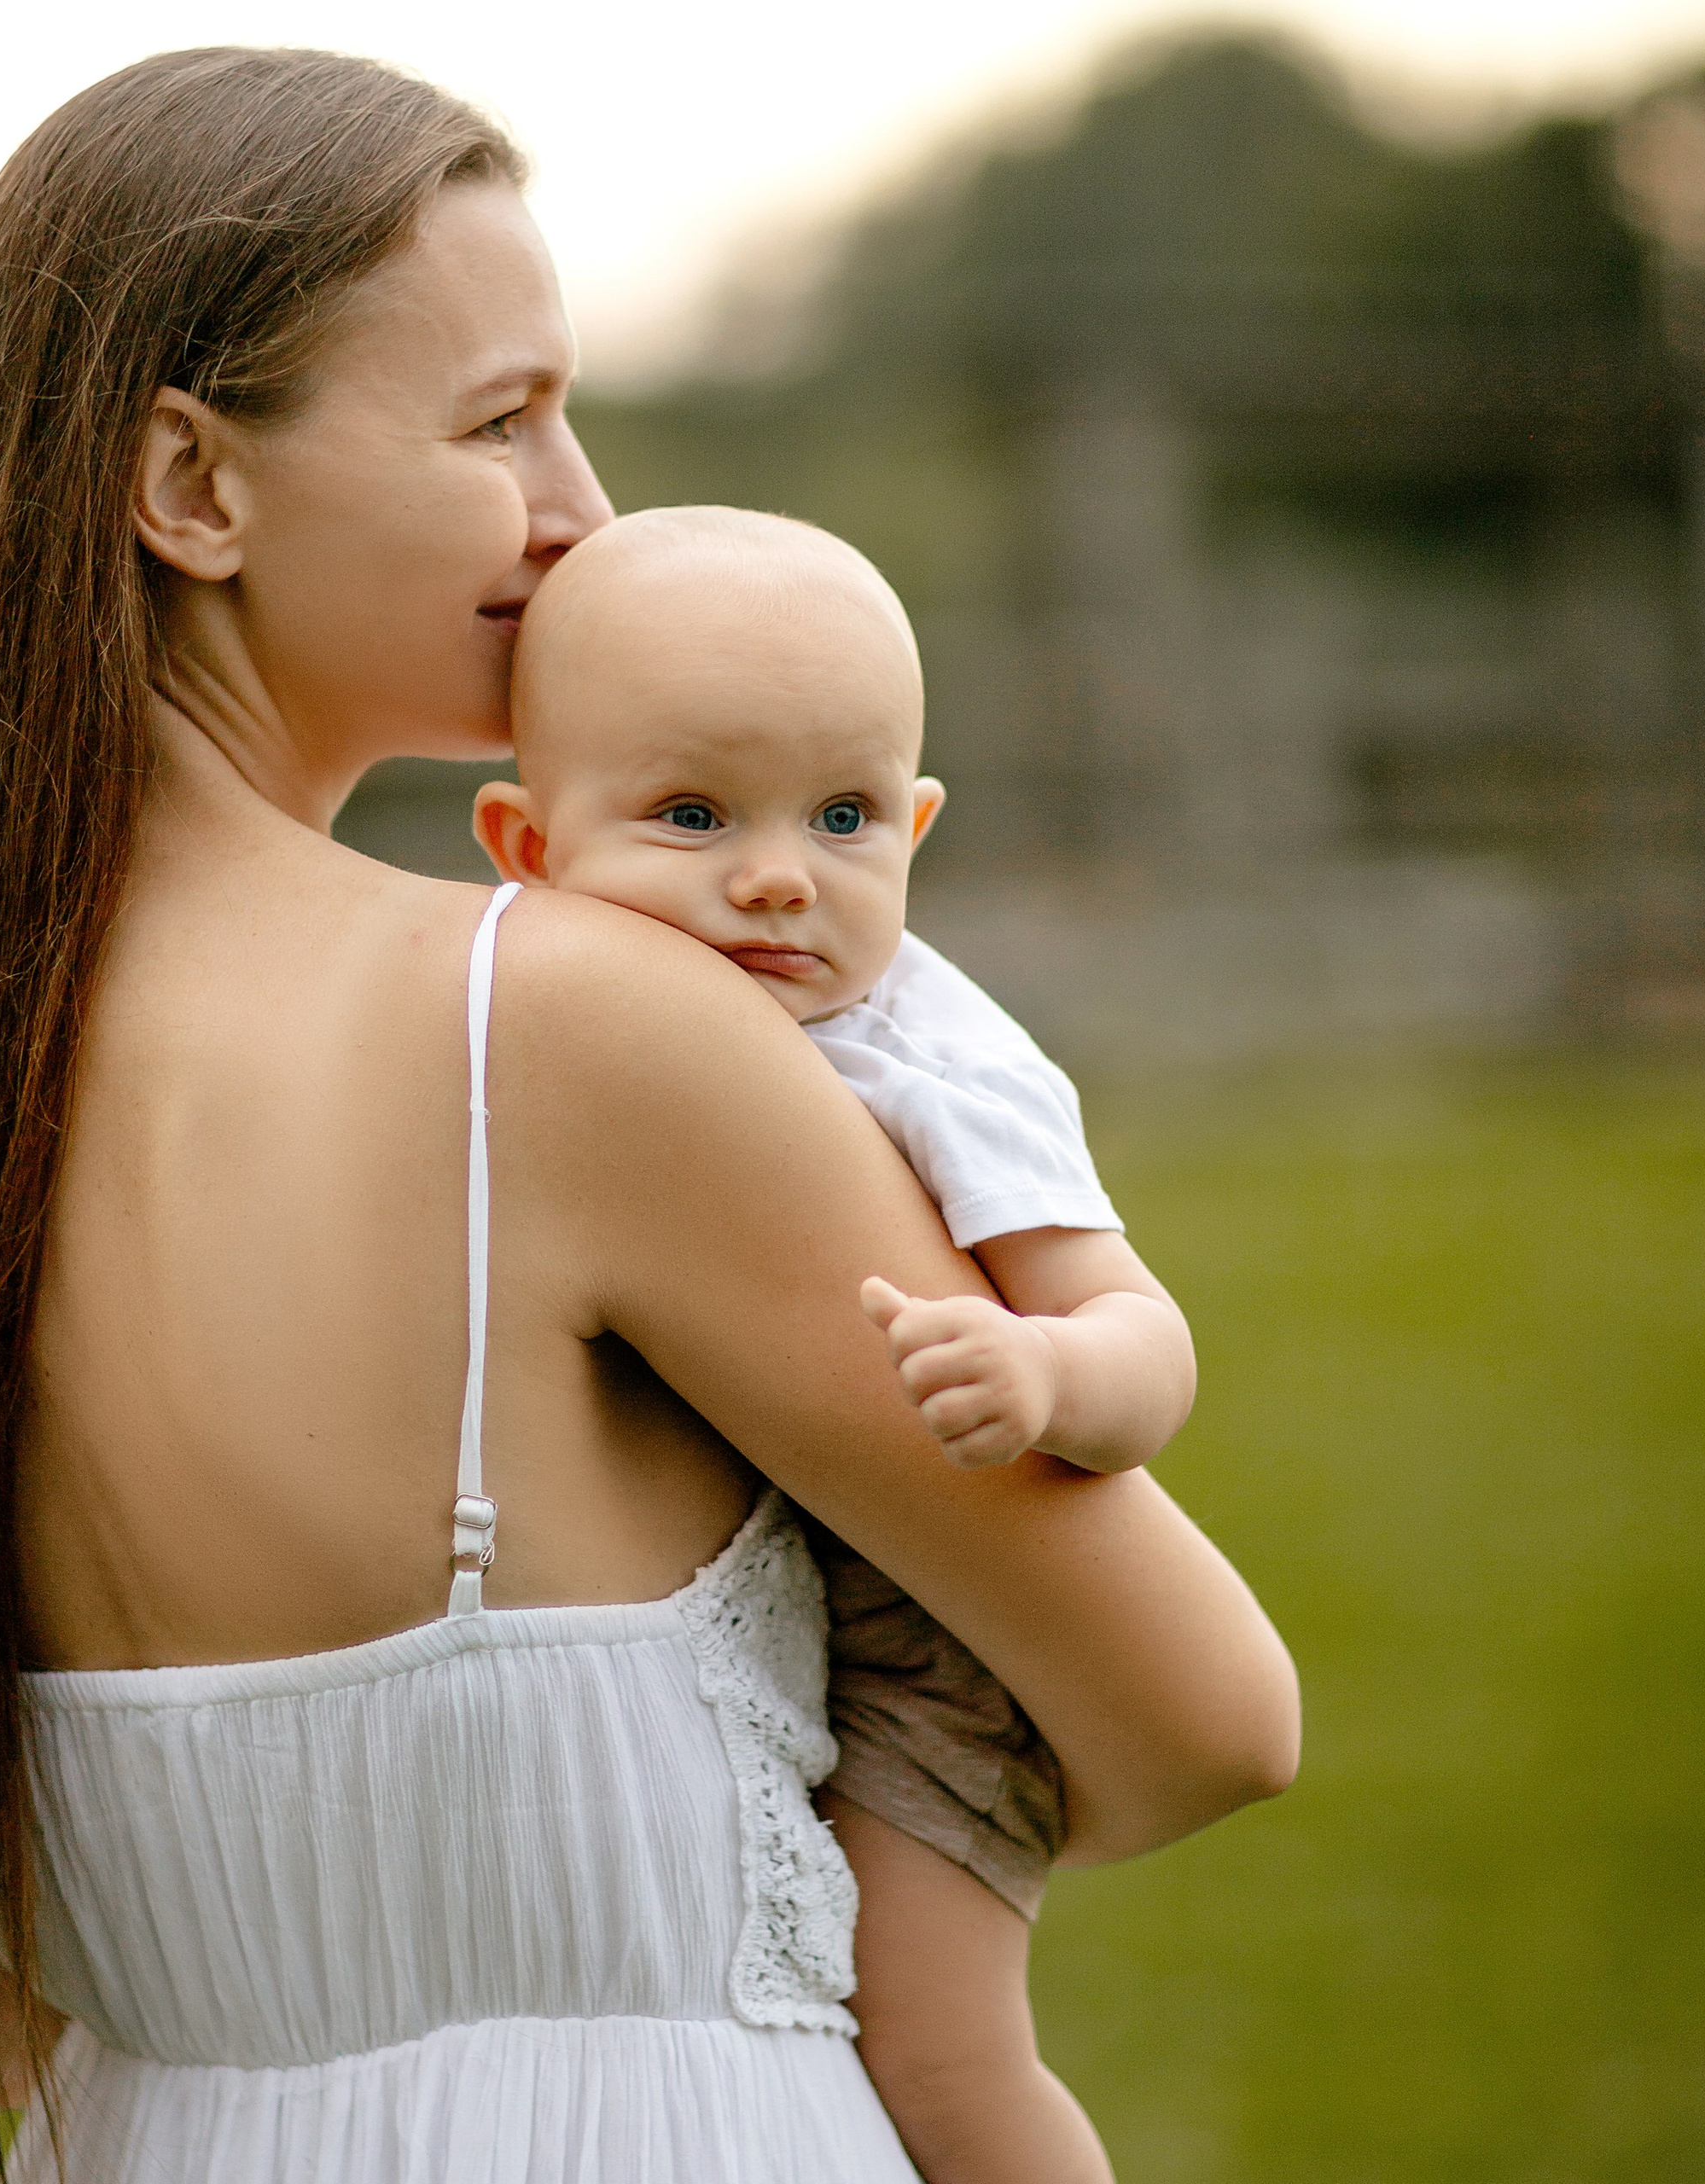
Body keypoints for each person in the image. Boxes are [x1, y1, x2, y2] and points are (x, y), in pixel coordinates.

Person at [0, 48, 1299, 2184]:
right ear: (192, 487)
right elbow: (1200, 1715)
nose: (579, 503)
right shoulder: (567, 1017)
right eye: (498, 414)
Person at [472, 505, 1187, 2181]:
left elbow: (1142, 1335)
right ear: (523, 842)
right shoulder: (534, 1010)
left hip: (925, 1651)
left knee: (931, 2050)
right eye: (692, 813)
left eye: (845, 814)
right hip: (709, 1610)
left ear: (918, 825)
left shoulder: (922, 1058)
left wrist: (1043, 1379)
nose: (780, 869)